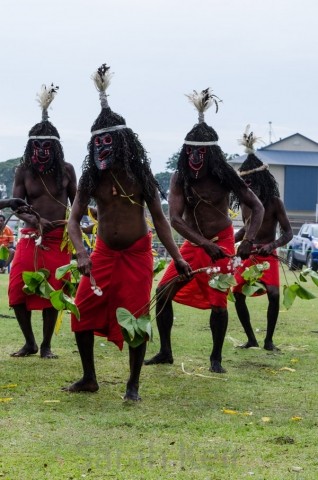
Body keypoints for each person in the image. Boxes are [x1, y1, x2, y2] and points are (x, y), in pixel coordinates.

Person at [64, 64, 191, 400]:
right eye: (97, 142)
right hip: (103, 253)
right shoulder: (92, 178)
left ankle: (133, 385)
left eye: (108, 141)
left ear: (121, 142)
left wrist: (177, 257)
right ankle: (89, 377)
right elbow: (74, 220)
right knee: (82, 310)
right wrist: (81, 252)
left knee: (137, 318)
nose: (102, 148)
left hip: (136, 253)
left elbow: (161, 220)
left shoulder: (140, 174)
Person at [144, 89, 264, 373]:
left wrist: (247, 240)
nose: (195, 157)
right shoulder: (179, 177)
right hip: (194, 244)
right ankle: (165, 351)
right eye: (191, 151)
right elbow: (175, 219)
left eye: (201, 152)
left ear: (211, 153)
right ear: (185, 152)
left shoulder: (225, 176)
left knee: (218, 301)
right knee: (163, 292)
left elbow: (257, 207)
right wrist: (202, 244)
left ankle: (216, 359)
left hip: (221, 242)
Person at [8, 84, 77, 358]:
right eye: (37, 145)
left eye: (47, 146)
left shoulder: (67, 170)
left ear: (56, 147)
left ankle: (46, 345)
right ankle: (30, 342)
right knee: (17, 290)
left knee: (54, 291)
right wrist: (35, 221)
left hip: (58, 239)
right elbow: (17, 206)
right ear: (30, 146)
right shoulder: (23, 170)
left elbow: (78, 203)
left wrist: (75, 224)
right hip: (29, 237)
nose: (42, 151)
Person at [232, 126, 293, 351]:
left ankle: (268, 341)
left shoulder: (275, 202)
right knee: (237, 294)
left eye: (251, 183)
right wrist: (228, 242)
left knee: (274, 295)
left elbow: (288, 233)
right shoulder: (247, 204)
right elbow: (245, 231)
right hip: (249, 253)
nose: (248, 188)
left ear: (262, 180)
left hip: (268, 254)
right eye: (244, 184)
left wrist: (272, 245)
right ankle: (251, 338)